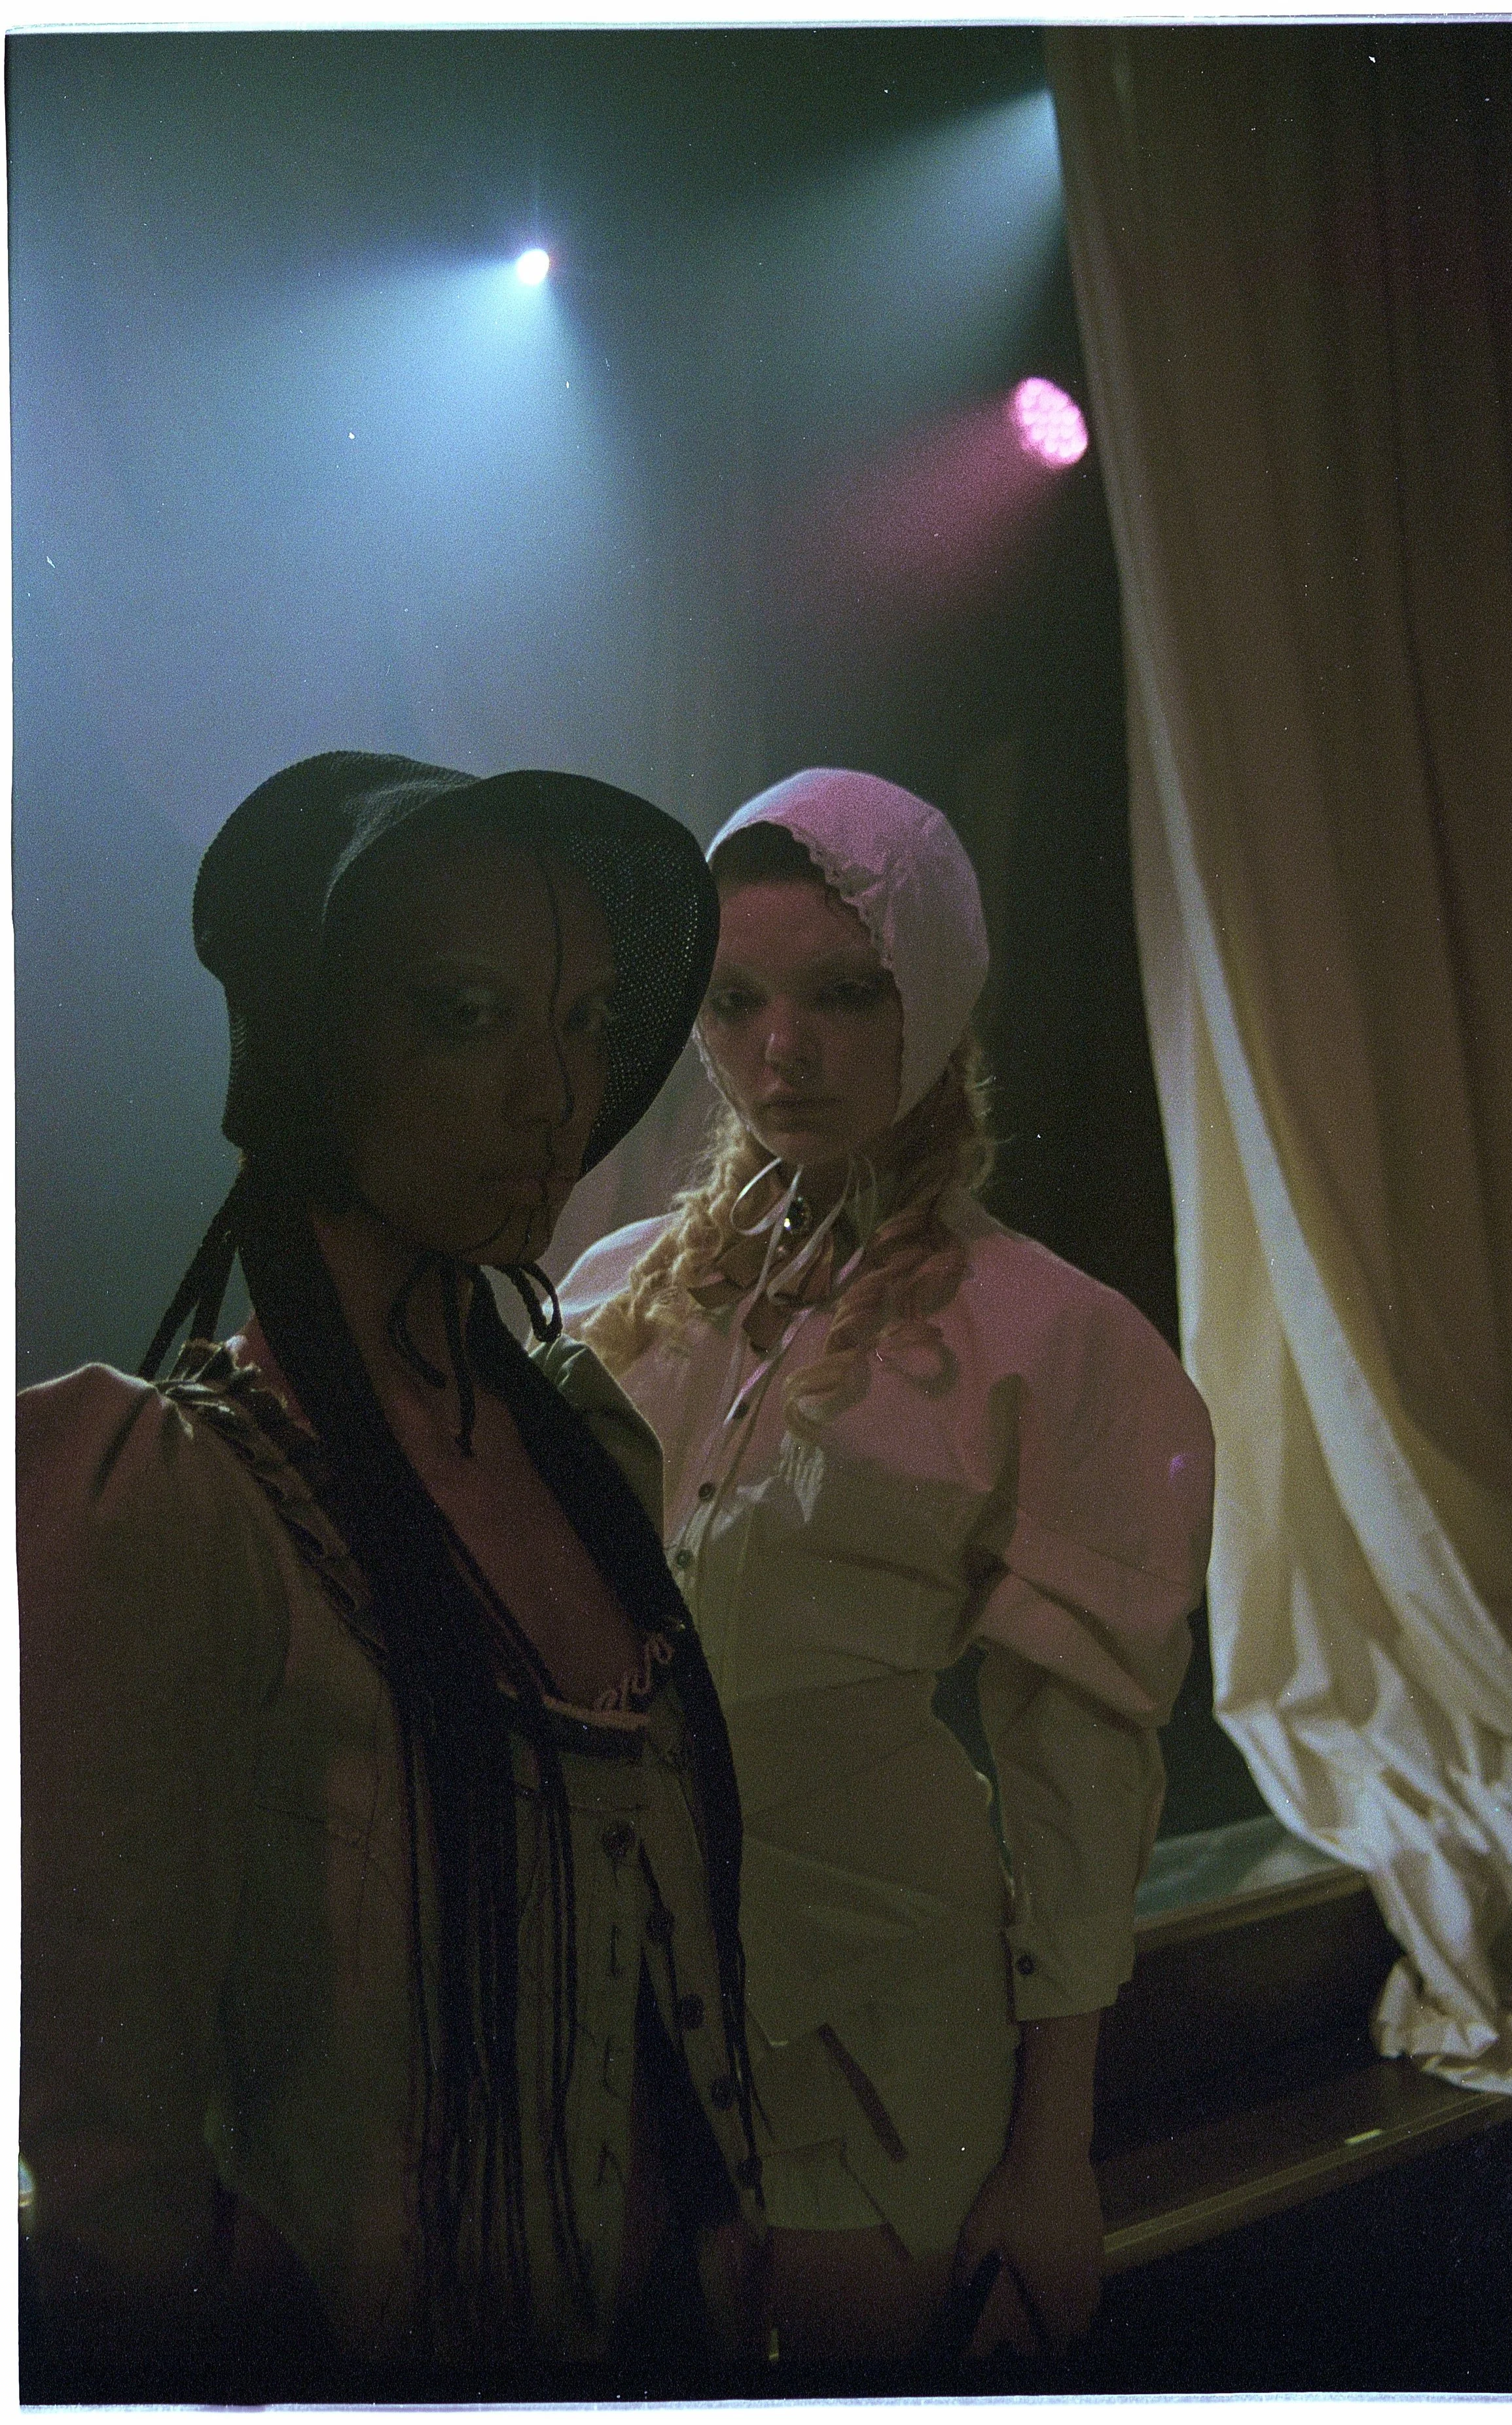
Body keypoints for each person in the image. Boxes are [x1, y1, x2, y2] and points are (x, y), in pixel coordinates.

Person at [18, 751, 765, 2401]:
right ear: (312, 1048)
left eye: (580, 1026)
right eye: (467, 1014)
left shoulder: (585, 1448)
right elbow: (105, 2155)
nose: (552, 1099)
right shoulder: (172, 1501)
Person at [563, 768, 1216, 2372]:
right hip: (615, 1966)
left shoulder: (1046, 1337)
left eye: (843, 994)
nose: (778, 1050)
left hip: (872, 1982)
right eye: (733, 1001)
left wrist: (1049, 2159)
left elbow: (1073, 1770)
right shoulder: (617, 1289)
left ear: (927, 992)